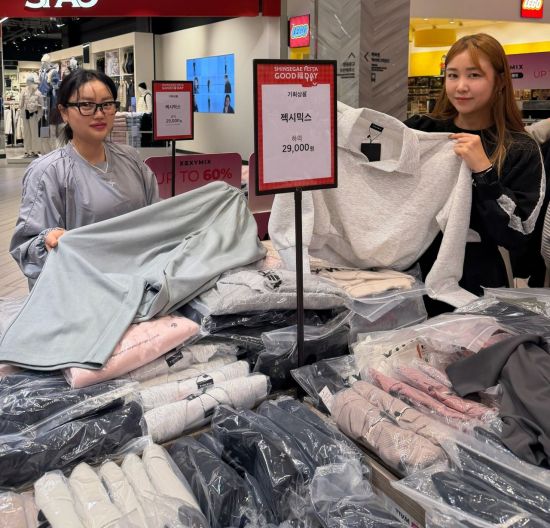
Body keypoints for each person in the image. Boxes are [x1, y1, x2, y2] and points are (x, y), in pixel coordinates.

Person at [405, 33, 544, 315]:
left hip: (474, 288)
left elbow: (518, 235)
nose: (461, 86)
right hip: (407, 279)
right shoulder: (420, 130)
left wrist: (484, 171)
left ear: (500, 81)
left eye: (474, 75)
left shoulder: (519, 148)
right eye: (452, 75)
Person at [10, 69, 160, 289]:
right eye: (86, 105)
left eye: (106, 104)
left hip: (137, 285)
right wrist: (49, 239)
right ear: (64, 112)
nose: (99, 114)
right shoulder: (49, 172)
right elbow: (26, 247)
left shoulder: (130, 159)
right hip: (81, 292)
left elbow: (156, 216)